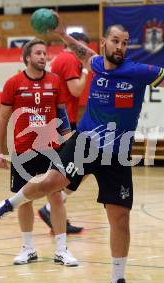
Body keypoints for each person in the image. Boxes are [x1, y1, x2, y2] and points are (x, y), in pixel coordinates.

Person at [0, 14, 164, 283]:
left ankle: (117, 281)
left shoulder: (138, 72)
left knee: (120, 217)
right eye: (115, 41)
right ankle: (5, 206)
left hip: (117, 152)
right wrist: (61, 32)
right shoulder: (96, 63)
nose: (120, 47)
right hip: (85, 142)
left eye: (125, 42)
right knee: (53, 182)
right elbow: (79, 48)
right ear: (104, 43)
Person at [0, 38, 78, 266]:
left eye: (45, 53)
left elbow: (62, 115)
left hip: (51, 149)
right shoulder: (14, 83)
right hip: (23, 150)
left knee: (56, 196)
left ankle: (61, 250)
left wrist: (68, 140)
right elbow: (2, 118)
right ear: (27, 57)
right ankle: (28, 249)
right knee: (25, 200)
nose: (43, 57)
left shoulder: (55, 81)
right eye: (38, 53)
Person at [38, 32, 91, 234]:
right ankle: (51, 209)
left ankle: (55, 213)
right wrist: (86, 71)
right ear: (77, 46)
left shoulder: (61, 58)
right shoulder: (70, 59)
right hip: (63, 123)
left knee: (72, 168)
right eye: (84, 50)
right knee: (80, 166)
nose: (86, 54)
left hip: (59, 122)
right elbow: (76, 90)